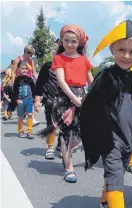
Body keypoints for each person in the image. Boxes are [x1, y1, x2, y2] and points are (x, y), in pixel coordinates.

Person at [80, 20, 132, 208]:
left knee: (117, 173)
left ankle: (105, 200)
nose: (126, 56)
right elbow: (90, 106)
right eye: (121, 50)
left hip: (129, 139)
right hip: (110, 139)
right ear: (112, 50)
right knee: (115, 176)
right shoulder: (105, 77)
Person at [37, 24, 93, 183]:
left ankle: (61, 149)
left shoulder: (84, 60)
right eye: (66, 40)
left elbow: (91, 81)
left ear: (80, 43)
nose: (69, 44)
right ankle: (69, 167)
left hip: (82, 97)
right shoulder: (59, 59)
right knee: (67, 134)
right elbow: (61, 81)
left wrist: (96, 95)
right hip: (64, 98)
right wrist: (74, 98)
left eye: (73, 41)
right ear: (61, 41)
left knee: (84, 133)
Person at [34, 40, 60, 160]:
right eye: (57, 51)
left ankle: (61, 145)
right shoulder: (47, 66)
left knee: (66, 126)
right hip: (50, 100)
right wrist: (37, 101)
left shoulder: (70, 67)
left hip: (66, 102)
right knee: (51, 125)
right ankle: (50, 147)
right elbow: (39, 85)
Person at [11, 44, 40, 126]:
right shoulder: (18, 59)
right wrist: (14, 84)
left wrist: (39, 81)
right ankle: (22, 114)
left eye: (32, 54)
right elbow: (13, 73)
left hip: (29, 84)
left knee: (31, 99)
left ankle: (32, 119)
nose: (31, 56)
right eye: (30, 54)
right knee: (22, 101)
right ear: (25, 52)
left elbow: (34, 73)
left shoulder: (31, 61)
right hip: (20, 84)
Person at [13, 60, 35, 139]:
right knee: (21, 116)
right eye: (22, 68)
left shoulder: (29, 79)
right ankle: (20, 130)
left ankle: (29, 131)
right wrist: (17, 99)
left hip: (29, 99)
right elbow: (15, 90)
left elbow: (34, 89)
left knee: (30, 114)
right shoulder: (17, 79)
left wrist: (35, 99)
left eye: (26, 68)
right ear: (18, 69)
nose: (24, 70)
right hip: (20, 101)